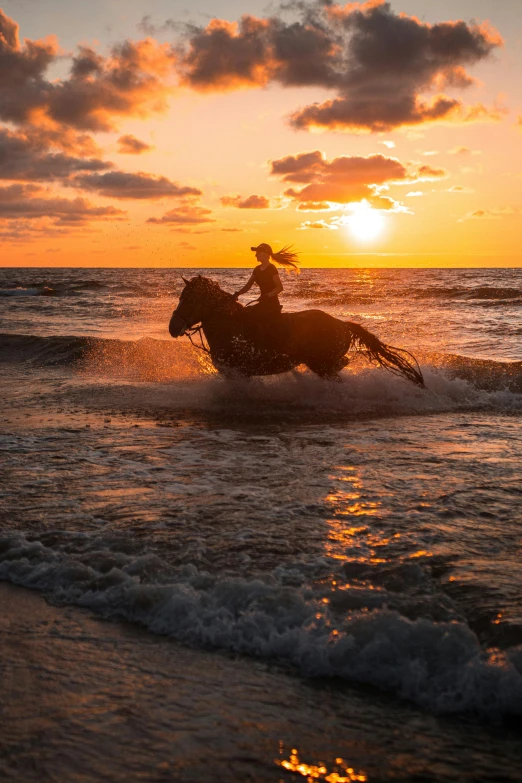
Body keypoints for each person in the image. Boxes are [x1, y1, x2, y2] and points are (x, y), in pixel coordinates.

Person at [232, 243, 299, 351]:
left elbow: (279, 287)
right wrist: (238, 293)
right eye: (256, 253)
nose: (256, 255)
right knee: (244, 313)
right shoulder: (257, 270)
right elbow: (248, 285)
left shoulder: (271, 268)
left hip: (271, 304)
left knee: (251, 316)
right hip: (263, 303)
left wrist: (268, 295)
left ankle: (257, 345)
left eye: (258, 253)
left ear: (266, 254)